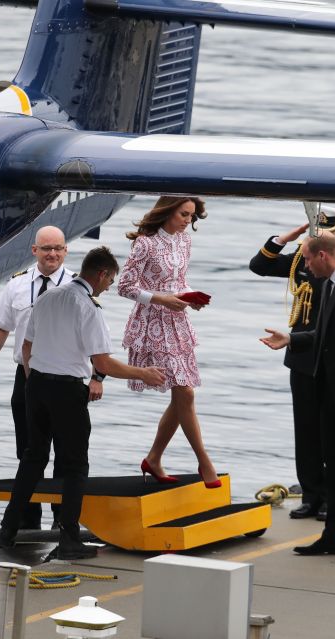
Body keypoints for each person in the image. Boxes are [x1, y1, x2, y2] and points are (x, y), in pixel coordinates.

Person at [0, 247, 166, 558]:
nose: (109, 287)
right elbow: (103, 362)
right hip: (67, 391)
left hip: (37, 386)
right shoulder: (88, 307)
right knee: (75, 465)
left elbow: (27, 345)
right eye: (110, 280)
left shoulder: (47, 297)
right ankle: (69, 538)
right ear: (100, 274)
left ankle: (7, 530)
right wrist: (144, 373)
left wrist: (35, 380)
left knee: (33, 458)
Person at [260, 233, 335, 565]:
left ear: (324, 256)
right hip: (331, 388)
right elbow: (325, 334)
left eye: (307, 259)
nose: (305, 265)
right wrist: (291, 339)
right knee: (332, 464)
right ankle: (331, 537)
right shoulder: (329, 283)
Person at [249, 206, 335, 520]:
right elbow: (260, 265)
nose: (317, 239)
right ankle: (312, 494)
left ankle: (334, 497)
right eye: (313, 232)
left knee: (332, 433)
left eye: (326, 232)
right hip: (304, 357)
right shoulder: (300, 260)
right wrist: (287, 236)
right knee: (305, 430)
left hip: (333, 361)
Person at [0, 225, 80, 529]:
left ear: (65, 251)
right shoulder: (17, 286)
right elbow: (0, 328)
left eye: (58, 248)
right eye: (47, 248)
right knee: (29, 450)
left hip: (63, 379)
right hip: (27, 378)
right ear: (34, 251)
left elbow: (87, 335)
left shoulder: (76, 286)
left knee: (64, 451)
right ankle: (28, 519)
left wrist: (96, 376)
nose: (53, 254)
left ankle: (62, 520)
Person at [117, 196, 220, 487]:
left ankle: (154, 458)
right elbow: (125, 287)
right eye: (184, 214)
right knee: (185, 394)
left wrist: (191, 296)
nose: (188, 220)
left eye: (191, 216)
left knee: (182, 395)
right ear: (167, 211)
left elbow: (179, 281)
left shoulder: (184, 241)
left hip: (178, 322)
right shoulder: (146, 243)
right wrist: (160, 298)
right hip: (152, 324)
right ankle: (204, 461)